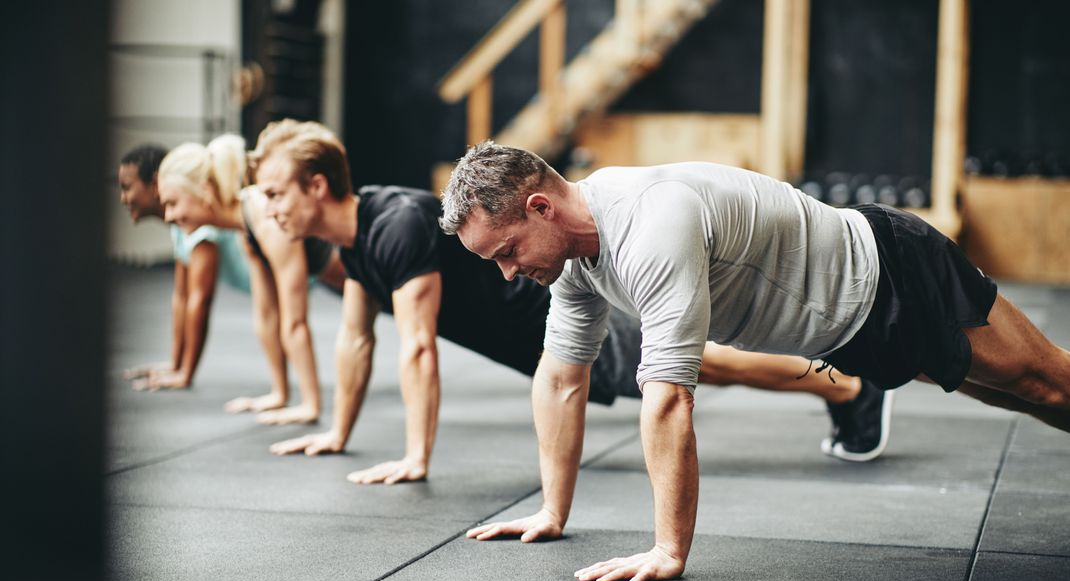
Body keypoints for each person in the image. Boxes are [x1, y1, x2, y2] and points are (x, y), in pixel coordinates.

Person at [440, 141, 1070, 581]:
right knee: (1009, 395)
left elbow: (668, 397)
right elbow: (560, 377)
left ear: (541, 208)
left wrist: (667, 550)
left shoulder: (651, 222)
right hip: (847, 335)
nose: (509, 272)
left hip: (894, 274)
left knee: (1047, 384)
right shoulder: (573, 262)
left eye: (508, 251)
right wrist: (553, 512)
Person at [251, 120, 892, 490]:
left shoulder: (392, 227)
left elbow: (417, 345)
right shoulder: (358, 240)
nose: (269, 209)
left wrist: (417, 457)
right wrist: (337, 432)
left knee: (699, 365)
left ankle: (847, 390)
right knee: (699, 363)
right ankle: (846, 388)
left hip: (560, 306)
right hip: (527, 333)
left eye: (277, 192)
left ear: (316, 185)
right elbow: (356, 339)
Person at [156, 134, 347, 425]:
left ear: (205, 192)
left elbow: (295, 321)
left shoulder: (267, 220)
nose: (168, 216)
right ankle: (281, 391)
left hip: (363, 274)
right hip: (339, 280)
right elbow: (267, 313)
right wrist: (279, 394)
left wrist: (310, 406)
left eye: (173, 203)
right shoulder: (247, 223)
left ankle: (309, 400)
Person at [118, 144, 251, 392]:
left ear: (155, 182)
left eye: (127, 187)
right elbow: (181, 296)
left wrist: (185, 375)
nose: (123, 198)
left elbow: (200, 300)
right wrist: (175, 365)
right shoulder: (181, 226)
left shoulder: (198, 224)